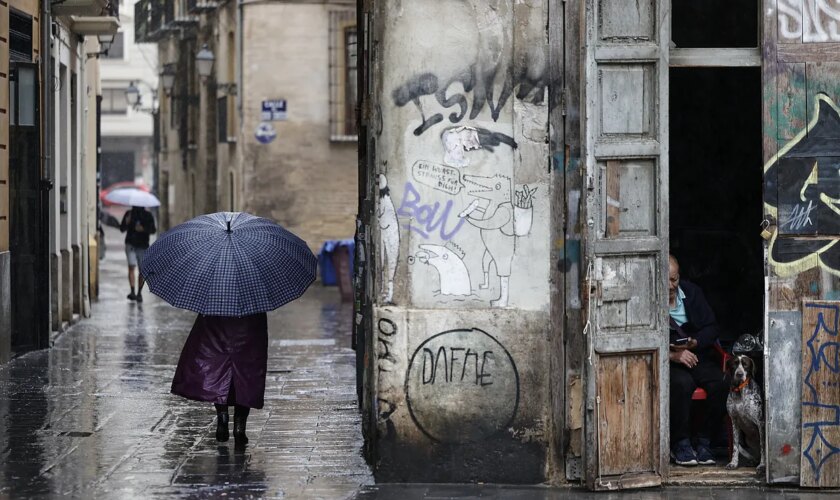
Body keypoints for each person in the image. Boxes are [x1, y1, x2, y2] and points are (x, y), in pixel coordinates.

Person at [668, 254, 729, 466]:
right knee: (682, 384)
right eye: (665, 280)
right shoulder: (649, 298)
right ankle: (680, 443)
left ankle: (704, 441)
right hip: (670, 361)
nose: (671, 286)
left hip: (697, 353)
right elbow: (642, 340)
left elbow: (712, 327)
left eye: (674, 279)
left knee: (721, 382)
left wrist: (695, 342)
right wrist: (674, 355)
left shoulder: (692, 293)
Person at [171, 313, 268, 445]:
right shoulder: (255, 297)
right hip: (249, 324)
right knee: (246, 374)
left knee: (218, 369)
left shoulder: (213, 298)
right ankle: (240, 427)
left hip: (216, 322)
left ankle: (222, 416)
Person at [119, 206, 156, 302]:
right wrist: (126, 223)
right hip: (130, 243)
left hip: (143, 245)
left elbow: (153, 230)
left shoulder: (148, 215)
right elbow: (122, 228)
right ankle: (132, 291)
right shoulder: (129, 214)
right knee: (131, 266)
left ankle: (139, 292)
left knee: (142, 270)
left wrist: (143, 229)